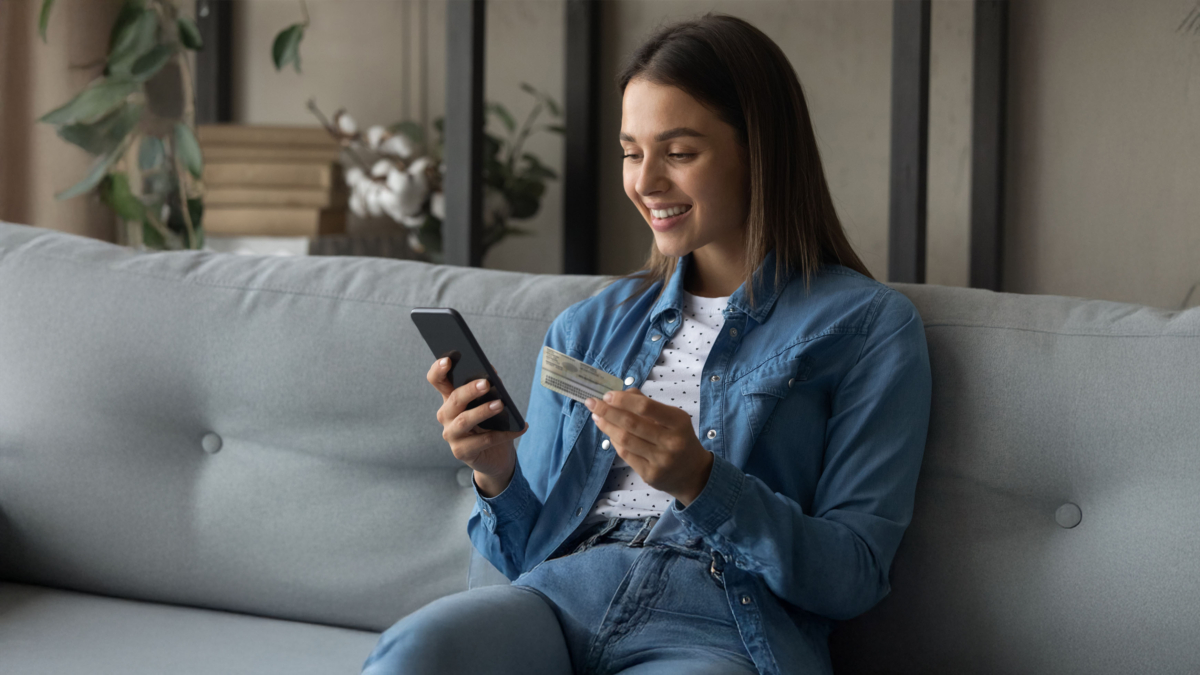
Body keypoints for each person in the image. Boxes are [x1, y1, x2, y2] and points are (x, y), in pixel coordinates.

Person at [362, 12, 931, 675]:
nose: (645, 181)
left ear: (761, 151)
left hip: (715, 625)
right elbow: (526, 558)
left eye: (680, 152)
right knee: (414, 652)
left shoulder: (867, 327)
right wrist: (495, 471)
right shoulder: (584, 329)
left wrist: (704, 482)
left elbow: (853, 575)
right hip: (558, 601)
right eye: (632, 152)